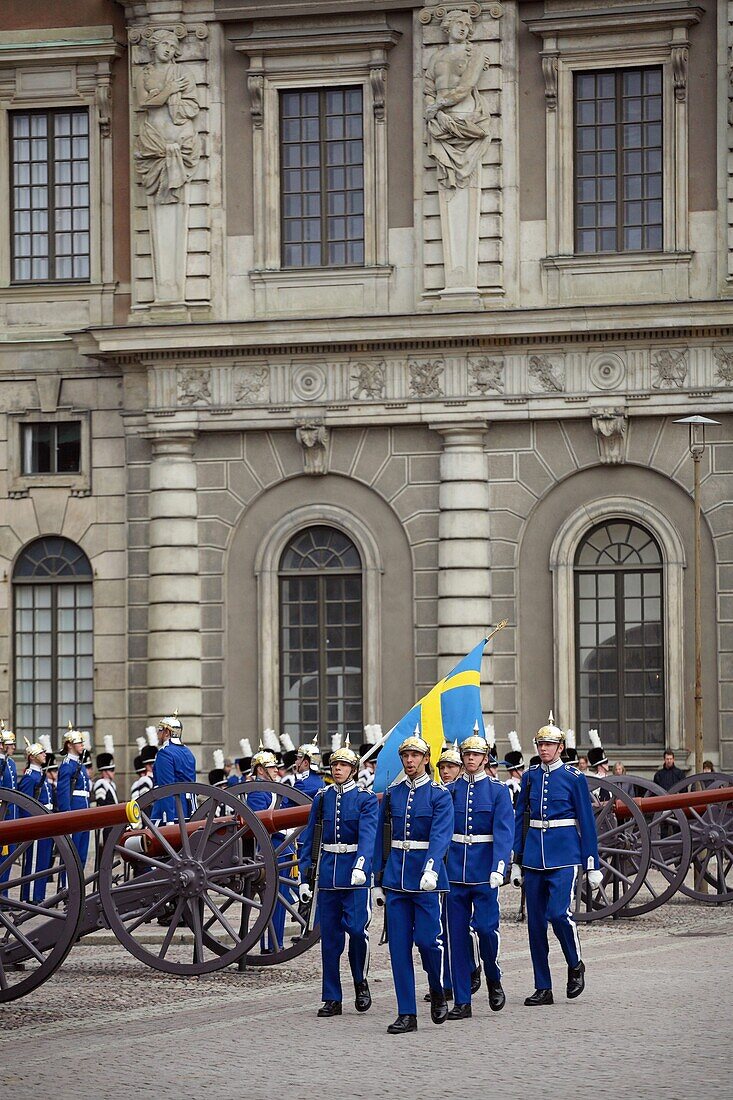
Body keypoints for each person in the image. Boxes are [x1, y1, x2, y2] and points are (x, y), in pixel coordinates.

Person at [511, 714, 602, 1007]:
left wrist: (592, 863)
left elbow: (586, 823)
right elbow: (521, 818)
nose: (544, 749)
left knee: (558, 913)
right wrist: (517, 858)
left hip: (565, 854)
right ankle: (543, 986)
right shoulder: (530, 777)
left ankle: (575, 963)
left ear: (560, 747)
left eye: (549, 744)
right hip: (534, 857)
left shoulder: (574, 778)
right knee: (535, 925)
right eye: (541, 744)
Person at [373, 731, 454, 1035]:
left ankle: (436, 986)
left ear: (425, 759)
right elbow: (383, 836)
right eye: (405, 756)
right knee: (398, 948)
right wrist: (378, 877)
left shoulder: (438, 794)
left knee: (428, 942)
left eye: (415, 756)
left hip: (426, 878)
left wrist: (432, 868)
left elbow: (441, 835)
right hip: (396, 877)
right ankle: (406, 1012)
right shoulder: (394, 794)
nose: (409, 761)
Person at [298, 740, 378, 1017]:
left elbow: (369, 837)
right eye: (335, 765)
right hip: (329, 874)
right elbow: (310, 838)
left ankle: (360, 981)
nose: (338, 769)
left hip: (355, 876)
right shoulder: (322, 798)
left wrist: (362, 865)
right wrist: (305, 879)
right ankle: (332, 996)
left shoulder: (365, 799)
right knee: (330, 939)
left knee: (357, 931)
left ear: (354, 769)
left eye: (343, 765)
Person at [444, 732, 514, 1020]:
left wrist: (500, 867)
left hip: (485, 872)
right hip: (454, 872)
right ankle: (462, 1000)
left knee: (486, 929)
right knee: (456, 938)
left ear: (486, 759)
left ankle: (493, 975)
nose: (470, 759)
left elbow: (504, 832)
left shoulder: (498, 792)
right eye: (467, 754)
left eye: (476, 755)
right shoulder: (448, 791)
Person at [245, 746, 295, 953]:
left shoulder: (271, 788)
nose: (276, 770)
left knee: (280, 900)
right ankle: (269, 943)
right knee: (272, 901)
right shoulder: (258, 791)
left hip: (282, 848)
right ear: (260, 770)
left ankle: (277, 942)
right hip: (272, 848)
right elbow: (259, 824)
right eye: (271, 767)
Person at [18, 738, 54, 902]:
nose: (44, 754)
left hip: (45, 820)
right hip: (37, 823)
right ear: (32, 757)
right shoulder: (29, 777)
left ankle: (38, 895)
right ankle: (31, 896)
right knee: (34, 862)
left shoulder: (40, 775)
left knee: (43, 860)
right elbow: (25, 805)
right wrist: (30, 827)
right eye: (41, 753)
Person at [56, 725, 92, 871]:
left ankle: (78, 886)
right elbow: (63, 793)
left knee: (82, 853)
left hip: (84, 809)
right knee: (72, 853)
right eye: (79, 742)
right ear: (69, 745)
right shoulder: (67, 765)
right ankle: (66, 886)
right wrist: (67, 815)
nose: (82, 745)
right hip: (75, 810)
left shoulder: (79, 764)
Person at [151, 712, 197, 823]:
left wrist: (169, 820)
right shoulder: (188, 752)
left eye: (160, 730)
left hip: (172, 810)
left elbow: (166, 788)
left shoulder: (165, 753)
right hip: (188, 808)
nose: (158, 733)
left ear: (167, 732)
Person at [503, 731, 525, 807]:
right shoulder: (510, 786)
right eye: (520, 769)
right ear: (512, 771)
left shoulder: (522, 784)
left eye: (522, 768)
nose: (522, 771)